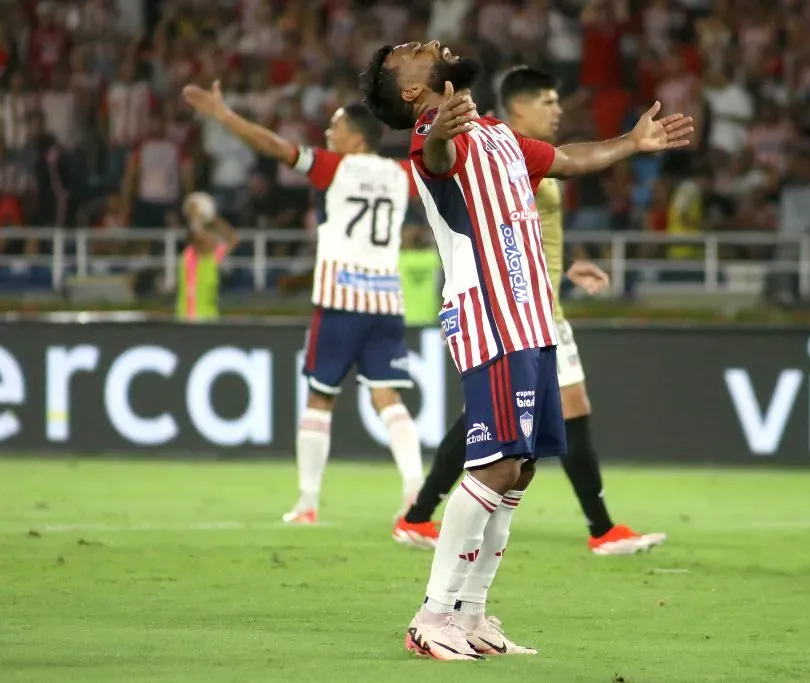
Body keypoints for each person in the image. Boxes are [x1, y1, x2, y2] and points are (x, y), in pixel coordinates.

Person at [360, 40, 693, 660]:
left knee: (519, 473)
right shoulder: (435, 137)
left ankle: (473, 613)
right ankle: (431, 618)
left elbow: (566, 158)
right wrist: (438, 127)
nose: (429, 42)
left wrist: (630, 143)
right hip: (487, 313)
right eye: (412, 50)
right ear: (412, 91)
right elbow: (435, 155)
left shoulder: (500, 137)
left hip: (533, 315)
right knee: (492, 468)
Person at [392, 66, 667, 555]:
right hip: (511, 310)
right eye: (548, 101)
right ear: (519, 106)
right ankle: (597, 528)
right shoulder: (481, 149)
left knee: (521, 442)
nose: (558, 110)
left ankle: (424, 521)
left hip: (540, 304)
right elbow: (492, 233)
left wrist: (567, 269)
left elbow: (525, 234)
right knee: (511, 440)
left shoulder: (511, 147)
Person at [181, 85, 425, 523]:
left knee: (320, 398)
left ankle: (308, 503)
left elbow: (275, 147)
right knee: (387, 398)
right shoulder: (401, 174)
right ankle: (414, 494)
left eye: (335, 127)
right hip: (386, 301)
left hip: (339, 300)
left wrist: (224, 114)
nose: (328, 134)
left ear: (355, 136)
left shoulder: (332, 167)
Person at [176, 191, 240, 321]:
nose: (209, 240)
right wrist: (196, 219)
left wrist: (212, 217)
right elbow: (197, 235)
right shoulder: (187, 255)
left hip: (207, 321)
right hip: (183, 320)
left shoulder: (212, 257)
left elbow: (233, 238)